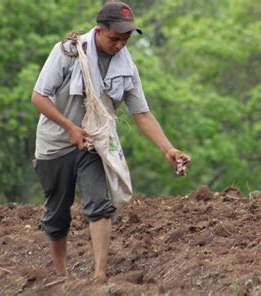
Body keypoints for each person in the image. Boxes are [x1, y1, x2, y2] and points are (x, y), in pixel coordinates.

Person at [31, 2, 190, 281]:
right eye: (114, 38)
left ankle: (99, 275)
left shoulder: (126, 66)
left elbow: (141, 113)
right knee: (57, 215)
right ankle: (61, 276)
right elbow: (38, 97)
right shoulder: (68, 53)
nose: (120, 45)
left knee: (99, 204)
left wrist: (168, 148)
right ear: (99, 30)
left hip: (94, 143)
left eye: (125, 39)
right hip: (55, 143)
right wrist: (70, 127)